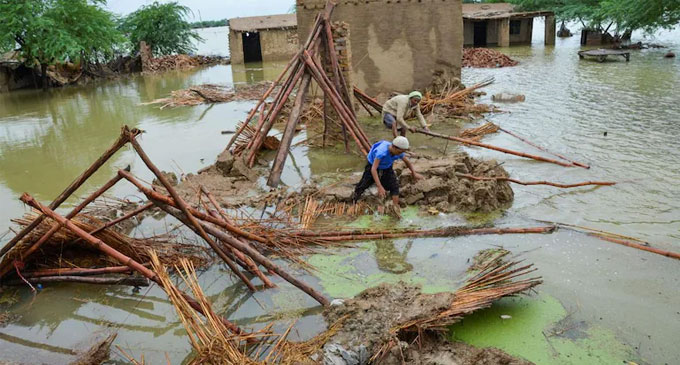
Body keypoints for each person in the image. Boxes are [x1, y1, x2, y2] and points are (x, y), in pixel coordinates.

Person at [351, 136, 423, 213]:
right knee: (363, 184)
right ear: (394, 147)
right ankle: (353, 202)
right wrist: (379, 186)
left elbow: (407, 162)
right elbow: (373, 169)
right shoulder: (381, 152)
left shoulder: (399, 152)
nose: (400, 154)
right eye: (400, 152)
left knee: (394, 186)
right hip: (372, 165)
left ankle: (395, 207)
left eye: (402, 152)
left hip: (387, 166)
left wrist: (414, 173)